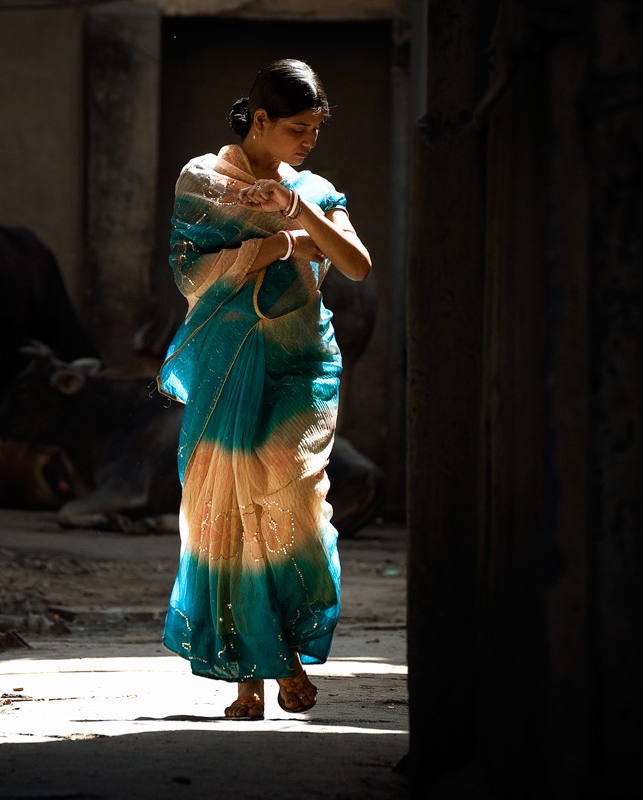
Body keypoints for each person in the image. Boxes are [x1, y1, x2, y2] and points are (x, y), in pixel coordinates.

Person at [157, 59, 372, 720]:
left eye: (316, 129)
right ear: (260, 120)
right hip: (229, 360)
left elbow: (355, 265)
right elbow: (188, 270)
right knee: (233, 503)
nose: (308, 141)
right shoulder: (203, 180)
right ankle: (255, 674)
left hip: (304, 359)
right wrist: (279, 244)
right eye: (296, 129)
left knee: (294, 494)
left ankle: (286, 650)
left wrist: (295, 203)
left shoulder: (314, 186)